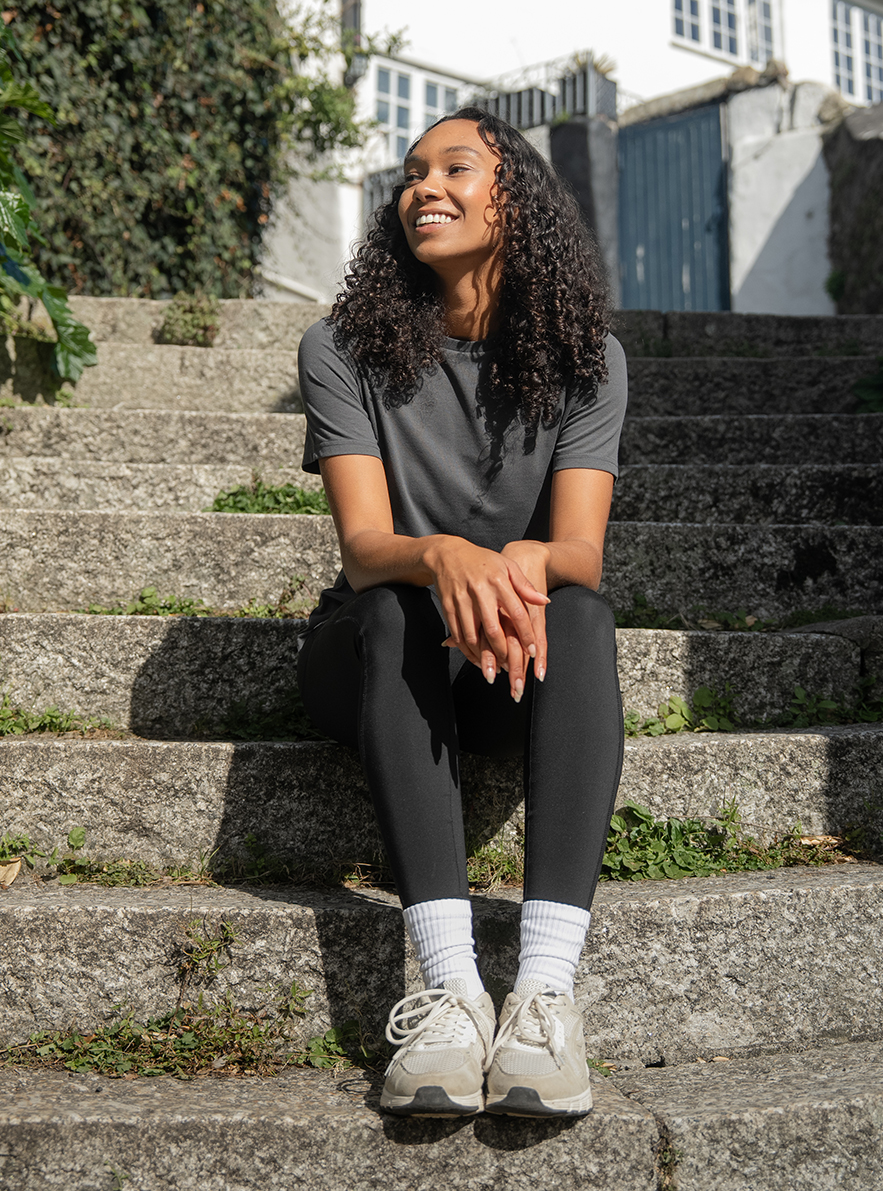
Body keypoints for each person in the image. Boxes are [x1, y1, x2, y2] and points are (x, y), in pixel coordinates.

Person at [296, 106, 627, 1119]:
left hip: (507, 662)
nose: (424, 189)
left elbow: (580, 552)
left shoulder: (588, 361)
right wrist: (441, 555)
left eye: (455, 169)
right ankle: (448, 992)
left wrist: (527, 558)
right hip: (380, 659)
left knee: (583, 613)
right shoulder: (340, 349)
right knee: (395, 605)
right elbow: (364, 550)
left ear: (513, 200)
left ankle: (543, 996)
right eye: (411, 174)